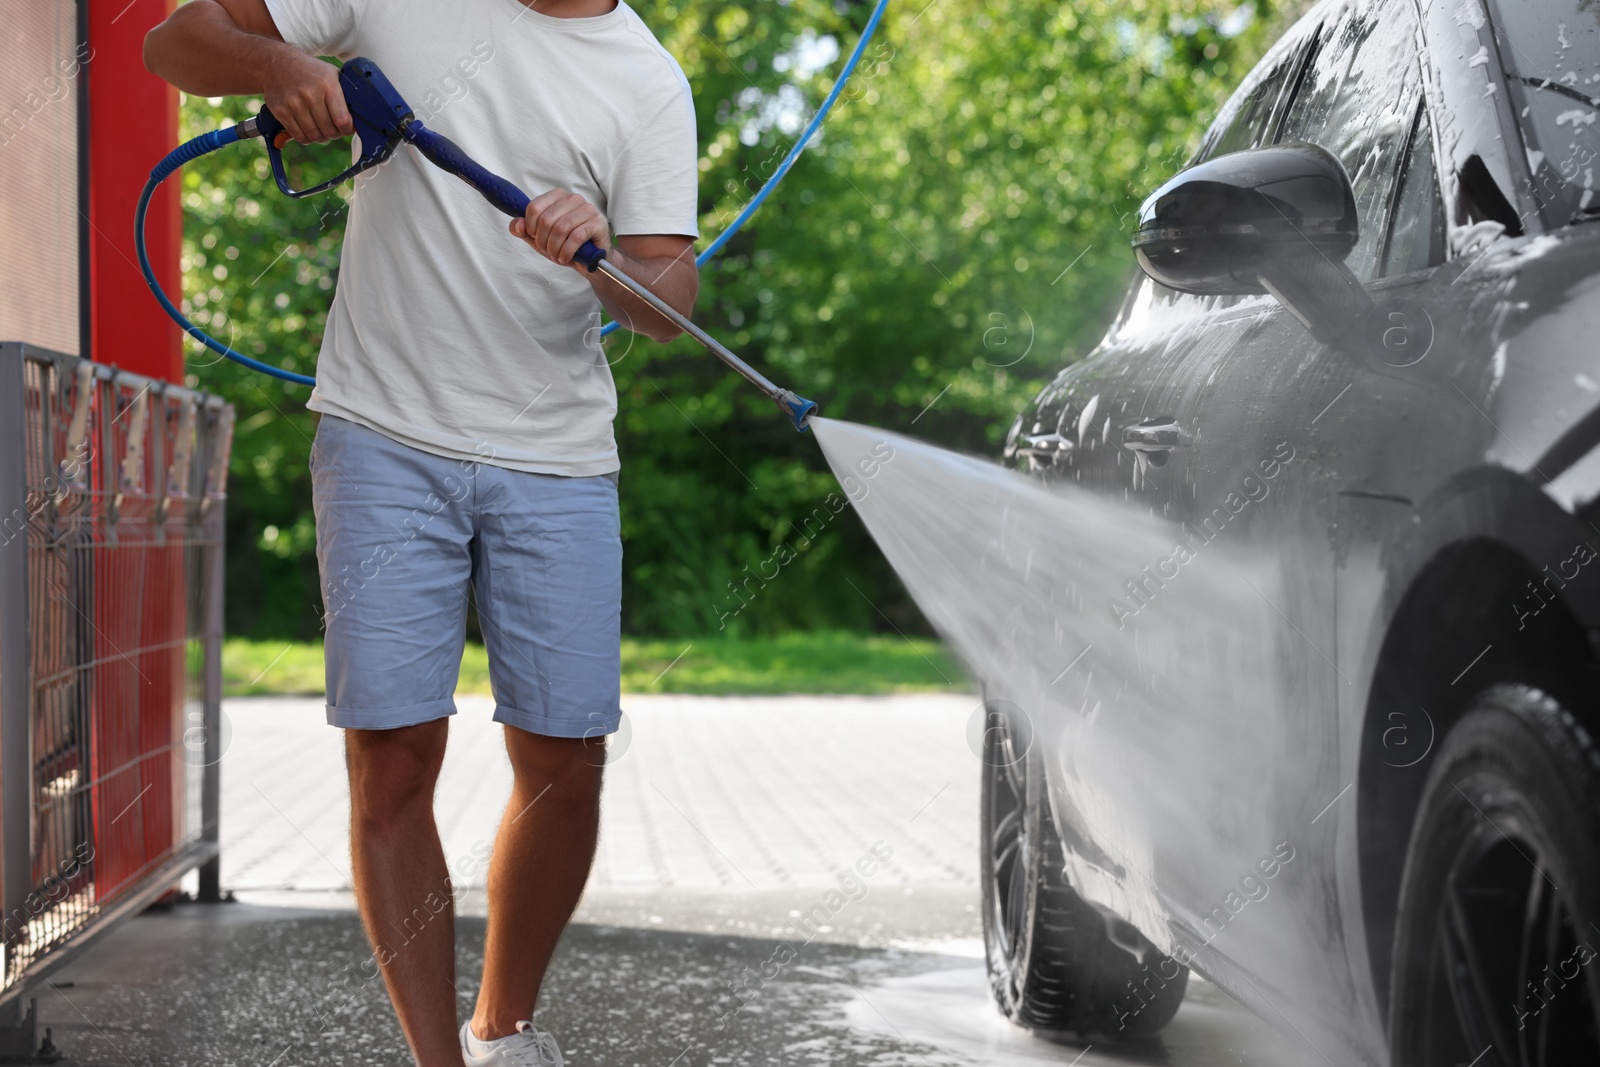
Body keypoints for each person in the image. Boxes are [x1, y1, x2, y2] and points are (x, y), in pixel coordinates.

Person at [144, 1, 700, 1063]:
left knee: (567, 760)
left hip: (559, 457)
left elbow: (667, 295)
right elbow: (170, 43)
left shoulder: (647, 79)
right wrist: (274, 63)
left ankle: (504, 1027)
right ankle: (434, 1058)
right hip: (382, 434)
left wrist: (600, 248)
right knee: (393, 762)